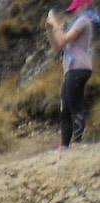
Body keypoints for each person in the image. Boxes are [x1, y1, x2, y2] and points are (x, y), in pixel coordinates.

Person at [45, 0, 95, 150]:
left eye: (75, 9)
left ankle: (77, 142)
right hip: (70, 70)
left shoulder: (84, 20)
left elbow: (64, 39)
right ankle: (64, 144)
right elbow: (58, 46)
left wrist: (55, 24)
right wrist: (50, 29)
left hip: (79, 68)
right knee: (65, 108)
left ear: (83, 6)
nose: (73, 12)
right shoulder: (76, 23)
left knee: (75, 105)